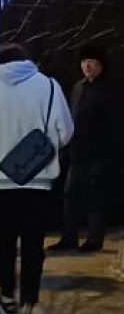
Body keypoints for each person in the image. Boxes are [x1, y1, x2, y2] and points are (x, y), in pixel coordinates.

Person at [0, 43, 73, 314]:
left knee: (2, 244)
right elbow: (65, 131)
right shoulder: (49, 86)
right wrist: (44, 153)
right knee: (32, 247)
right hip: (39, 183)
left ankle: (7, 294)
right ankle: (28, 304)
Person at [49, 42, 118, 253]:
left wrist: (108, 157)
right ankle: (69, 238)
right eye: (84, 61)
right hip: (76, 152)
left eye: (92, 62)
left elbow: (115, 125)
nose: (87, 66)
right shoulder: (78, 87)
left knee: (94, 198)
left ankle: (95, 240)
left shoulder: (110, 89)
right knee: (70, 195)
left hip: (99, 154)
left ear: (100, 65)